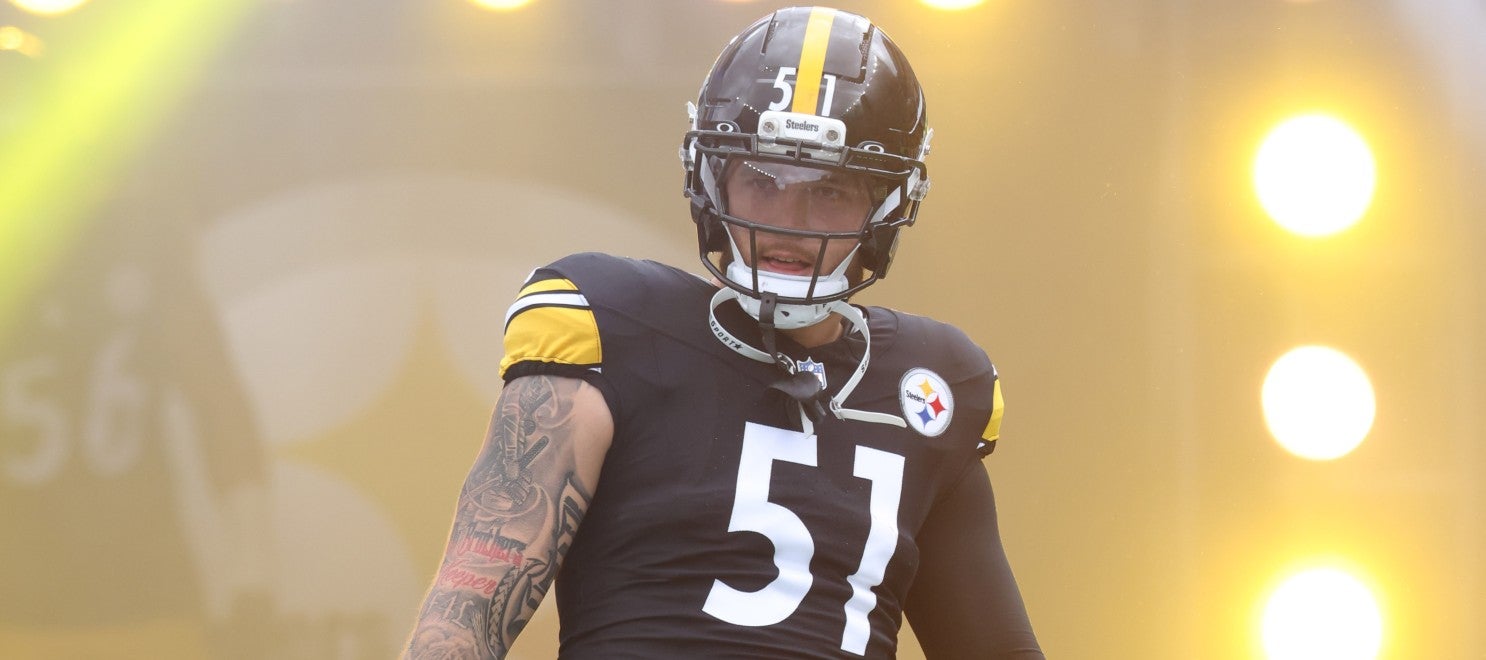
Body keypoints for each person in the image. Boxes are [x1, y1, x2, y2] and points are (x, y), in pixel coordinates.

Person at [404, 6, 1043, 658]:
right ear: (713, 180)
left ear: (885, 208)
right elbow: (465, 617)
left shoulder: (936, 385)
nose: (788, 221)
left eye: (830, 191)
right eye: (762, 181)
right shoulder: (609, 327)